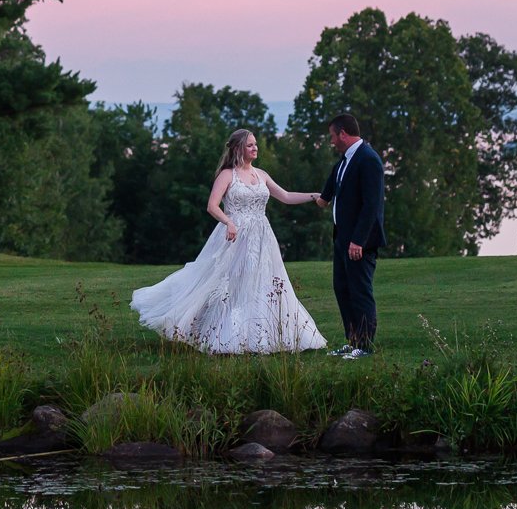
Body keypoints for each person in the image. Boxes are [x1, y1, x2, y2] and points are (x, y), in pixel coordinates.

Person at [129, 128, 327, 354]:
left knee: (260, 281)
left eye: (256, 144)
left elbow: (286, 196)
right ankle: (216, 330)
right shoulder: (227, 175)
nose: (255, 148)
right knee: (226, 282)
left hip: (261, 236)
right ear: (238, 148)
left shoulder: (261, 174)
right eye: (250, 145)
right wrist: (229, 222)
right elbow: (212, 206)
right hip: (233, 236)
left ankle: (261, 333)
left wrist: (316, 196)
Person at [316, 114, 386, 358]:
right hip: (342, 239)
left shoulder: (368, 159)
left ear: (343, 133)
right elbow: (328, 193)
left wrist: (359, 240)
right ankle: (353, 339)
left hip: (359, 242)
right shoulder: (345, 160)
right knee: (342, 288)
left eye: (333, 136)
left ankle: (365, 346)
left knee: (360, 290)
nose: (332, 141)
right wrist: (318, 198)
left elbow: (371, 206)